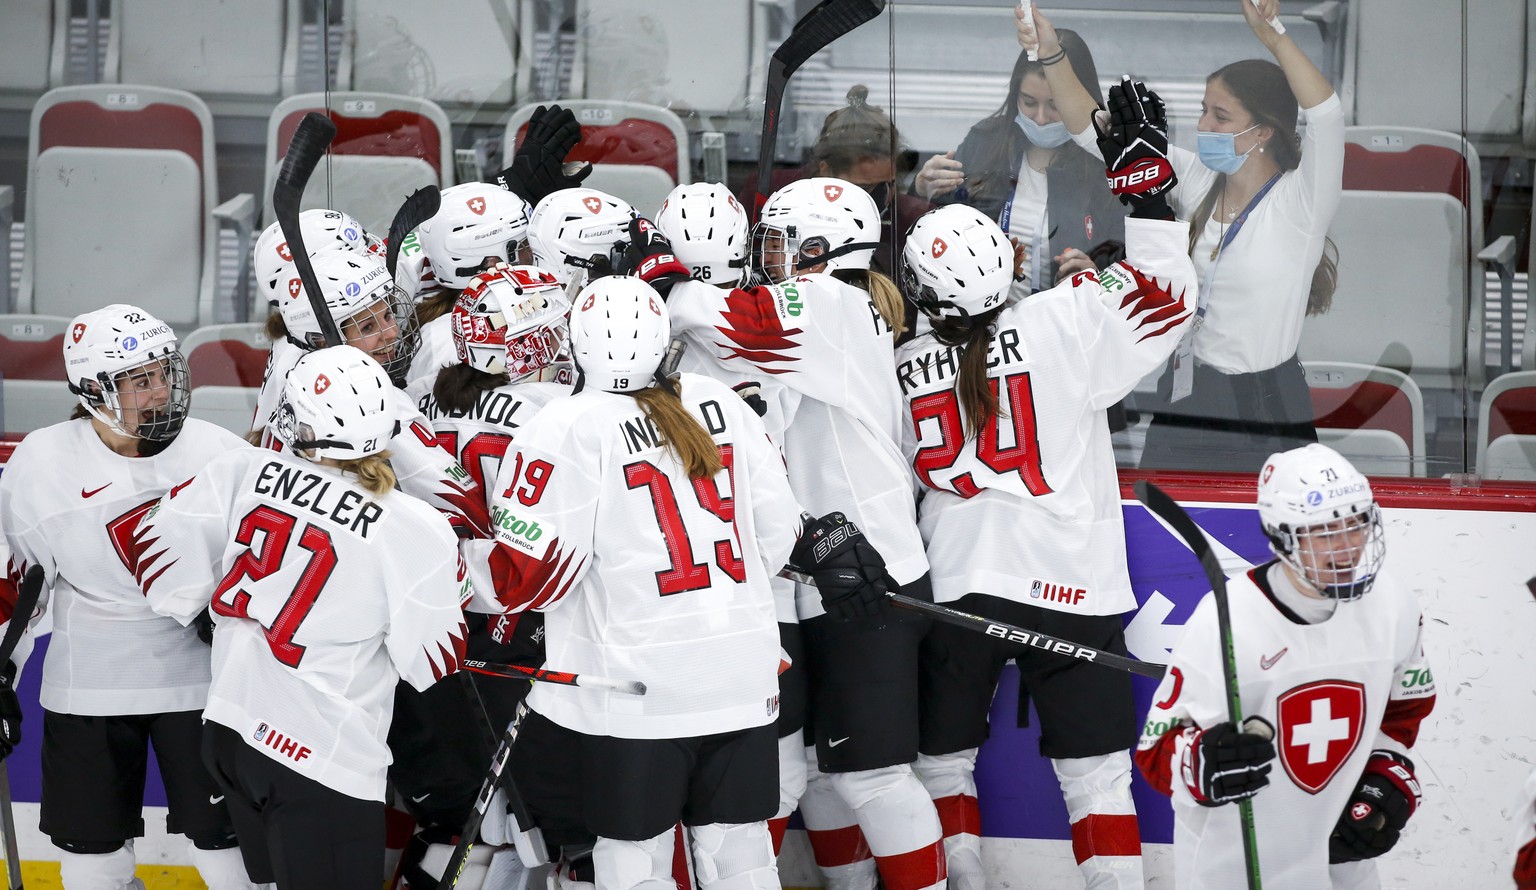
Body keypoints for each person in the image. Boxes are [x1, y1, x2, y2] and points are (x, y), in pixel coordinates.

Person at [895, 75, 1196, 888]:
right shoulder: (1065, 317)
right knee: (1095, 777)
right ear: (1009, 260)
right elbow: (1168, 301)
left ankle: (960, 878)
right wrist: (1154, 204)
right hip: (1071, 583)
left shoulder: (902, 361)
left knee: (941, 764)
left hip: (953, 585)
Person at [669, 178, 945, 890]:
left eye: (778, 240)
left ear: (818, 247)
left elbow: (739, 323)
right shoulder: (835, 310)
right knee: (816, 775)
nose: (766, 257)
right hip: (822, 569)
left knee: (872, 779)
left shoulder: (831, 302)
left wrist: (666, 283)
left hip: (866, 573)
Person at [486, 276, 802, 890]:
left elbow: (535, 579)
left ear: (578, 343)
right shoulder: (720, 401)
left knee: (634, 864)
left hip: (633, 687)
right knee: (742, 857)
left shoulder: (565, 425)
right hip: (740, 669)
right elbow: (779, 527)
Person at [136, 345, 471, 889]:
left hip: (230, 729)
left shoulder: (241, 468)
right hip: (319, 754)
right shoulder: (413, 525)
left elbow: (160, 570)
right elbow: (431, 663)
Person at [0, 304, 261, 889]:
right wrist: (1, 673)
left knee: (228, 857)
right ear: (93, 390)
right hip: (89, 683)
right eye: (140, 380)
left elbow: (265, 570)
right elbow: (16, 583)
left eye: (166, 372)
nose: (161, 391)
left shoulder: (220, 453)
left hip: (203, 684)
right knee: (92, 865)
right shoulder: (42, 462)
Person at [1026, 0, 1342, 472]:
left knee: (1265, 541)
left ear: (1263, 132)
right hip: (1185, 389)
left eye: (1220, 116)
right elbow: (1095, 134)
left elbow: (1327, 115)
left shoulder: (1302, 203)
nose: (1201, 127)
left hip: (1266, 402)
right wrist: (1051, 54)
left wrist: (1272, 34)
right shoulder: (1197, 179)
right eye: (1202, 110)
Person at [1135, 444, 1437, 888]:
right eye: (1326, 531)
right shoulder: (1224, 619)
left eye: (1356, 524)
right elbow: (1155, 749)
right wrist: (1202, 763)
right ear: (1282, 537)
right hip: (1233, 866)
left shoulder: (1393, 605)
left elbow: (1404, 710)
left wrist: (1384, 772)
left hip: (1341, 863)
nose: (1349, 545)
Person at [654, 181, 807, 857]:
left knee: (674, 787)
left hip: (677, 585)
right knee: (768, 781)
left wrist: (664, 287)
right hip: (758, 584)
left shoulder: (651, 338)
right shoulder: (767, 318)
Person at [913, 23, 1126, 298]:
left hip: (1066, 328)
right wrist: (921, 190)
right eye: (1028, 102)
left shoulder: (1107, 165)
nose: (1039, 118)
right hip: (983, 324)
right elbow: (933, 234)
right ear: (1015, 96)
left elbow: (1132, 264)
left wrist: (1099, 274)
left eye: (1055, 105)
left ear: (1081, 99)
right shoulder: (986, 141)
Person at [404, 182, 534, 394]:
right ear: (492, 263)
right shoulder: (452, 341)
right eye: (524, 246)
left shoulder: (434, 328)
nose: (532, 257)